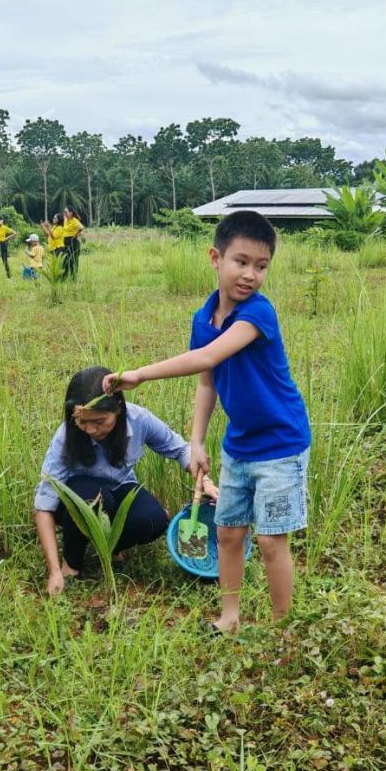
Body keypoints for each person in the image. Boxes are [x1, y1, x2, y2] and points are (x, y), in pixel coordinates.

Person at [102, 210, 311, 635]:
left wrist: (141, 373)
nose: (250, 274)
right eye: (241, 261)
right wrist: (196, 442)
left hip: (281, 444)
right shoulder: (204, 318)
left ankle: (282, 629)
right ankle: (229, 618)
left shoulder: (259, 314)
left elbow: (208, 357)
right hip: (239, 446)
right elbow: (207, 381)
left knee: (271, 540)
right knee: (228, 533)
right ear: (215, 258)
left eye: (261, 266)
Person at [34, 366, 218, 596]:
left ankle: (112, 548)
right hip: (81, 498)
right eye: (83, 422)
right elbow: (44, 506)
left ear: (118, 409)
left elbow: (180, 449)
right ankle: (72, 563)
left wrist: (206, 482)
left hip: (120, 487)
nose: (90, 429)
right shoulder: (66, 438)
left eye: (99, 421)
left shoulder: (139, 419)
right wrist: (53, 571)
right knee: (97, 500)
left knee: (153, 520)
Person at [61, 206, 85, 279]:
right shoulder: (65, 220)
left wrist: (75, 235)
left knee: (73, 260)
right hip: (65, 241)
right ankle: (64, 276)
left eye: (66, 212)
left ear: (71, 213)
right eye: (64, 212)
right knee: (65, 259)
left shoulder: (74, 220)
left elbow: (81, 227)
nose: (64, 213)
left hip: (72, 241)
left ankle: (73, 277)